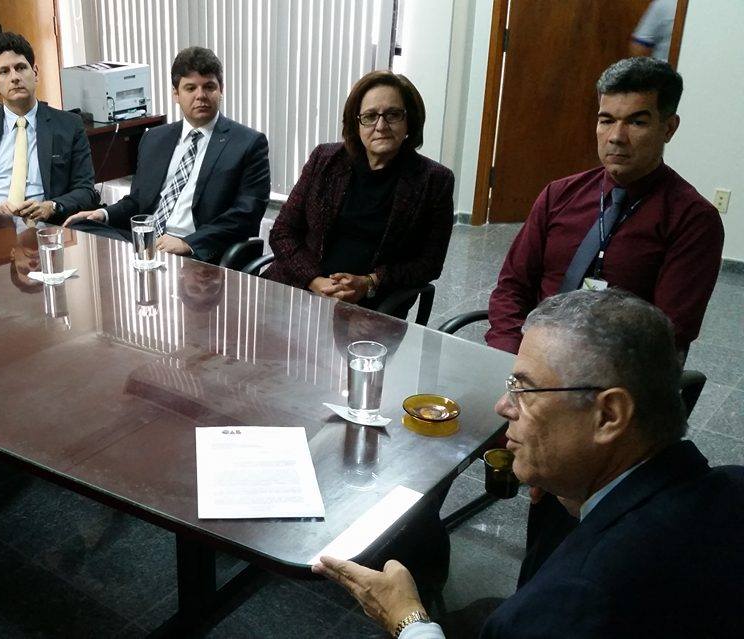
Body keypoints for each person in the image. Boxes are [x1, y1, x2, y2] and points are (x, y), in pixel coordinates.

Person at [315, 289, 744, 638]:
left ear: (609, 415)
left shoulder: (573, 603)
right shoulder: (732, 486)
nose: (504, 406)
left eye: (525, 389)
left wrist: (406, 618)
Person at [486, 57, 722, 356]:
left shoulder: (693, 219)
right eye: (607, 120)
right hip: (530, 355)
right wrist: (509, 354)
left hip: (616, 369)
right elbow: (511, 288)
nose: (616, 137)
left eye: (637, 122)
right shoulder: (560, 194)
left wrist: (576, 374)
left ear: (669, 128)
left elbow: (668, 333)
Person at [263, 71, 454, 318]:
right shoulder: (325, 160)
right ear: (356, 124)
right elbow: (282, 232)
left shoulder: (434, 180)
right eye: (370, 116)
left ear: (410, 121)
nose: (381, 126)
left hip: (371, 307)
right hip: (296, 289)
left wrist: (370, 282)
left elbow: (429, 263)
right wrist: (315, 281)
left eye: (393, 114)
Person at [65, 46, 270, 265]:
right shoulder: (154, 138)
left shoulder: (247, 143)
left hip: (196, 251)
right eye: (190, 88)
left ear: (221, 90)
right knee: (80, 226)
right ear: (176, 94)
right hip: (147, 241)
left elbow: (245, 216)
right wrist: (103, 214)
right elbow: (137, 201)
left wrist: (187, 243)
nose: (201, 96)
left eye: (209, 87)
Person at [0, 31, 99, 225]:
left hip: (45, 227)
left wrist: (51, 206)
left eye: (20, 68)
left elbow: (86, 190)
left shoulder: (69, 125)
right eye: (4, 71)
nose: (14, 77)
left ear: (35, 73)